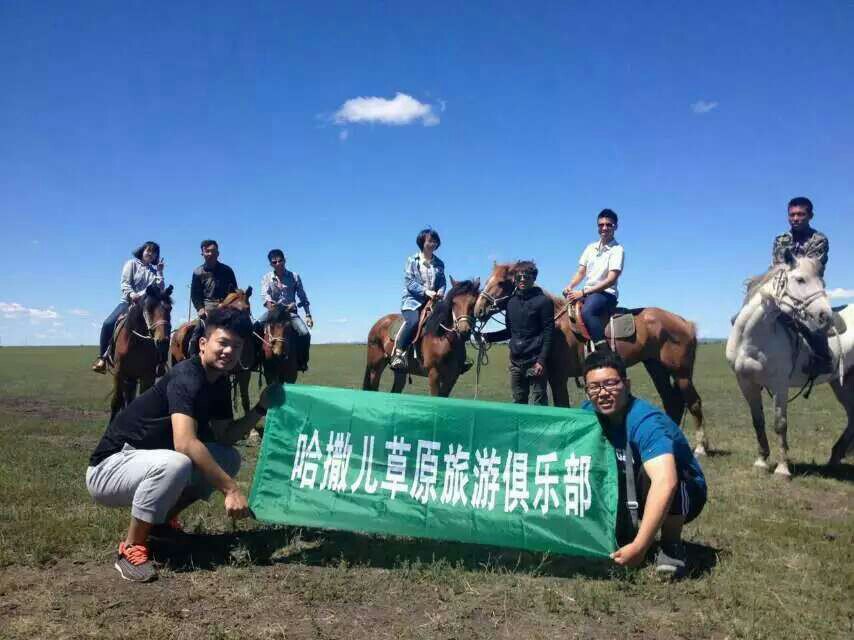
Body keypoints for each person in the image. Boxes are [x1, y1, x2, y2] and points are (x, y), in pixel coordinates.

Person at [85, 307, 282, 582]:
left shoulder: (220, 384)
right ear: (203, 343)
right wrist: (231, 489)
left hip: (148, 461)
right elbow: (185, 443)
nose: (228, 351)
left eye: (236, 346)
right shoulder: (186, 376)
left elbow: (225, 437)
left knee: (228, 457)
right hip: (109, 468)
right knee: (178, 461)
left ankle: (160, 524)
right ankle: (131, 549)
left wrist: (260, 408)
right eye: (222, 343)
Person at [581, 350, 707, 579]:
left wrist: (640, 547)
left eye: (611, 384)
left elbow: (665, 482)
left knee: (664, 472)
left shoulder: (647, 421)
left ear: (626, 384)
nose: (603, 393)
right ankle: (620, 529)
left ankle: (671, 545)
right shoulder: (587, 414)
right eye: (594, 387)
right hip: (628, 484)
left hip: (682, 490)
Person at [772, 196, 832, 376]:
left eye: (800, 214)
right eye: (792, 215)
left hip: (809, 289)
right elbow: (776, 267)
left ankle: (823, 360)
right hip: (784, 289)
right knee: (745, 316)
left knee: (813, 322)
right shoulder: (780, 239)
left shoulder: (819, 239)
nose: (795, 218)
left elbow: (811, 268)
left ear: (810, 215)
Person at [481, 261, 554, 405]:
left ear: (533, 279)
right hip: (515, 362)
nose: (522, 280)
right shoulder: (511, 303)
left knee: (539, 402)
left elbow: (548, 333)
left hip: (535, 362)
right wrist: (487, 337)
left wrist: (541, 361)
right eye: (519, 277)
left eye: (526, 277)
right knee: (518, 401)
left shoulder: (544, 302)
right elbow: (509, 332)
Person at [92, 241, 165, 373]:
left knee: (162, 324)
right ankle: (102, 357)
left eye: (154, 252)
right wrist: (132, 294)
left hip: (147, 306)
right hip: (129, 302)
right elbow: (125, 283)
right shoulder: (131, 264)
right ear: (142, 251)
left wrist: (159, 272)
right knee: (108, 323)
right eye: (148, 250)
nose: (151, 253)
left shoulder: (154, 271)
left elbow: (159, 288)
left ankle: (161, 361)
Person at [563, 209, 625, 352]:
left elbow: (611, 280)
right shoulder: (590, 248)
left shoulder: (617, 250)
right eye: (601, 225)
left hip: (606, 294)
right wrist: (570, 286)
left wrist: (583, 292)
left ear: (615, 227)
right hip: (588, 293)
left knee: (587, 312)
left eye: (608, 225)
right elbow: (581, 272)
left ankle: (603, 351)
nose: (604, 228)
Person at [390, 228, 446, 370]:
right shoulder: (412, 260)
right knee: (413, 321)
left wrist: (440, 292)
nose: (433, 243)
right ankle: (399, 354)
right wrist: (426, 292)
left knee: (449, 320)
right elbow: (409, 282)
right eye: (430, 241)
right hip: (413, 300)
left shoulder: (439, 263)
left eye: (435, 241)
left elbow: (442, 282)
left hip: (434, 301)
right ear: (422, 242)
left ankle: (455, 357)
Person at [258, 249, 313, 371]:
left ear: (284, 260)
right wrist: (271, 306)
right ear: (271, 264)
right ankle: (257, 360)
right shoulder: (266, 278)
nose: (278, 263)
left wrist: (308, 315)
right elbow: (265, 296)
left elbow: (302, 296)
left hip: (290, 313)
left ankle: (302, 361)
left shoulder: (294, 276)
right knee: (254, 327)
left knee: (305, 334)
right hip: (273, 312)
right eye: (274, 262)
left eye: (280, 260)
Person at [188, 240, 238, 356]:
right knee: (197, 331)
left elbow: (234, 291)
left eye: (213, 251)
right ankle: (193, 357)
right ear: (202, 254)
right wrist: (200, 308)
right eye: (207, 251)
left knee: (242, 328)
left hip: (226, 306)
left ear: (218, 253)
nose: (210, 254)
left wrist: (226, 304)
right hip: (207, 306)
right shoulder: (197, 272)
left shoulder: (227, 270)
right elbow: (195, 294)